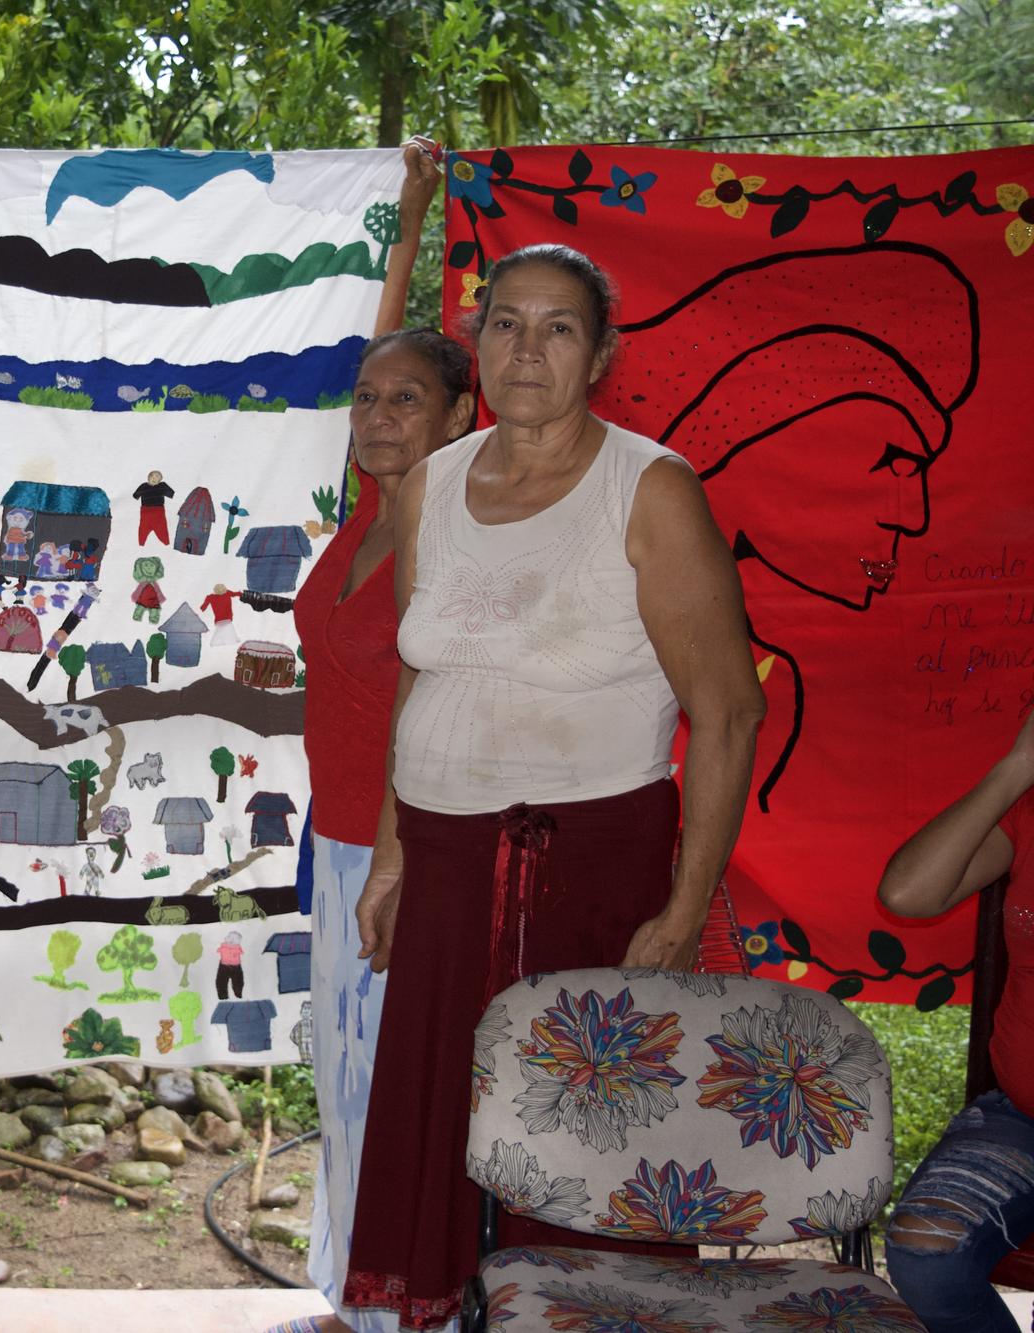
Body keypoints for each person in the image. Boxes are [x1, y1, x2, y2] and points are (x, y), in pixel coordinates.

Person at [340, 242, 765, 1329]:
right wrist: (390, 853)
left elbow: (725, 711)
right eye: (505, 323)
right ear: (477, 340)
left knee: (582, 1143)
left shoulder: (649, 488)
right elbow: (417, 676)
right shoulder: (430, 482)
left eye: (557, 327)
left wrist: (677, 912)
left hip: (586, 871)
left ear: (600, 354)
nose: (526, 348)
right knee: (444, 1132)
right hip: (439, 868)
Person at [281, 134, 474, 1333]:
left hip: (393, 855)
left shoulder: (443, 532)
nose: (376, 414)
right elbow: (383, 323)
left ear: (461, 415)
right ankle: (352, 1298)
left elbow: (425, 705)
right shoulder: (368, 512)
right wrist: (409, 207)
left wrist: (393, 864)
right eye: (365, 399)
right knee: (338, 1081)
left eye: (407, 400)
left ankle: (389, 1313)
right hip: (335, 838)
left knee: (377, 1085)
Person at [878, 709, 1034, 1333]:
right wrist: (1017, 768)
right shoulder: (1028, 812)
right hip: (1022, 1115)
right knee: (926, 1251)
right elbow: (908, 894)